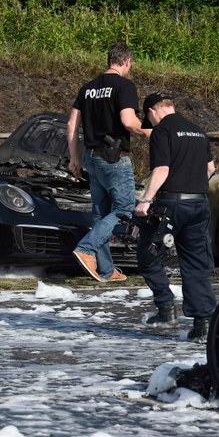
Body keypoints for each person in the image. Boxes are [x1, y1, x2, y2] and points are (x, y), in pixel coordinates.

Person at [134, 92, 217, 342]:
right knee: (196, 264)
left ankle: (166, 308)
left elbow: (161, 169)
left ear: (151, 112)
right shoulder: (198, 131)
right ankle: (202, 326)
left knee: (148, 255)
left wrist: (146, 200)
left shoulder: (162, 131)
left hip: (171, 206)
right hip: (200, 204)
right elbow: (210, 169)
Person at [67, 42, 148, 282]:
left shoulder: (87, 88)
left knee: (100, 214)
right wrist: (151, 131)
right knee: (123, 211)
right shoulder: (124, 86)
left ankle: (105, 270)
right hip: (115, 159)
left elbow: (72, 124)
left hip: (91, 158)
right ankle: (86, 248)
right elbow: (128, 122)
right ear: (126, 62)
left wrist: (74, 157)